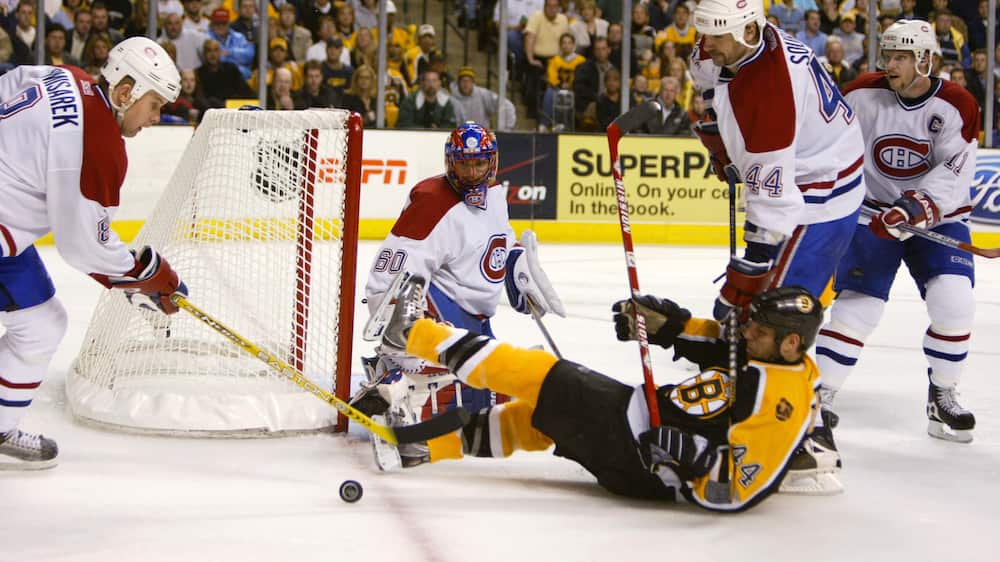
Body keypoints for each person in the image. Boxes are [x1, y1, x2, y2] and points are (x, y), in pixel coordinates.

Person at [375, 274, 824, 513]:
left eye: (759, 331)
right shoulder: (761, 352)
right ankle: (420, 447)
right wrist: (664, 323)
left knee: (540, 374)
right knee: (535, 421)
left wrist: (691, 452)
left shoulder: (784, 401)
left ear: (791, 344)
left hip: (646, 458)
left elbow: (741, 488)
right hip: (639, 425)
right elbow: (715, 340)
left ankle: (413, 332)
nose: (746, 335)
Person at [689, 0, 865, 492]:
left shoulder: (768, 87)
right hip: (806, 170)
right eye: (705, 33)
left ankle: (810, 442)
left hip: (820, 191)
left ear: (751, 27)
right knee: (760, 314)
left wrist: (740, 285)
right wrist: (721, 146)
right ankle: (750, 400)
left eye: (719, 35)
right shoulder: (724, 45)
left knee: (776, 316)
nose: (709, 43)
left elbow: (772, 211)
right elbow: (707, 92)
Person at [0, 36, 187, 469]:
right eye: (154, 104)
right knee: (42, 325)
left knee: (43, 323)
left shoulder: (63, 76)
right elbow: (85, 247)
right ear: (125, 93)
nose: (156, 118)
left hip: (7, 239)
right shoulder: (100, 143)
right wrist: (151, 276)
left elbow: (9, 82)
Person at [355, 123, 564, 470]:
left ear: (491, 163)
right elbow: (389, 279)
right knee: (455, 392)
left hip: (475, 318)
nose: (471, 172)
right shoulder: (433, 201)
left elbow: (498, 241)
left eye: (478, 163)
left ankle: (398, 379)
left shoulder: (494, 194)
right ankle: (400, 385)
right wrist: (401, 342)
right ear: (450, 162)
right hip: (442, 308)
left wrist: (516, 268)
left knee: (496, 393)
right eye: (464, 163)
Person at [815, 21, 980, 446]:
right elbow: (827, 138)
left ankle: (941, 392)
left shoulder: (957, 104)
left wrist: (917, 207)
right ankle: (820, 396)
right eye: (888, 56)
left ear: (925, 59)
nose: (891, 64)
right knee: (858, 307)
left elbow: (954, 170)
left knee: (954, 300)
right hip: (872, 215)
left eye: (902, 57)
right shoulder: (861, 92)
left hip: (937, 218)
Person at [449, 66, 516, 130]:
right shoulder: (451, 98)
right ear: (458, 82)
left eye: (469, 81)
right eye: (463, 81)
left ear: (473, 83)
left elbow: (507, 106)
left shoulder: (483, 94)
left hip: (481, 138)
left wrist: (508, 128)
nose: (466, 84)